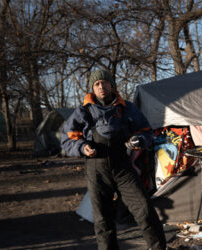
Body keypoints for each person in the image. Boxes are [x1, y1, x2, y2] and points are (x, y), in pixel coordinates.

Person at [61, 69, 166, 250]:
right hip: (97, 170)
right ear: (93, 88)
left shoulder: (127, 108)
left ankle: (158, 247)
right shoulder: (83, 111)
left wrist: (138, 140)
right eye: (97, 84)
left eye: (104, 82)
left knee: (144, 209)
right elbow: (68, 137)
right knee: (102, 219)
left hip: (123, 168)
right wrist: (82, 147)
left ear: (111, 85)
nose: (101, 86)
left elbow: (146, 131)